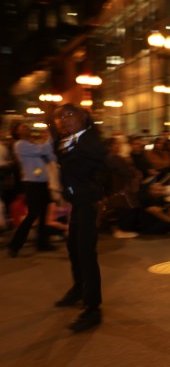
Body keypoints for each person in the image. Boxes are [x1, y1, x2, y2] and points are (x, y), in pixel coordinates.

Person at [48, 104, 107, 333]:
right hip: (78, 204)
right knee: (73, 246)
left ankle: (93, 308)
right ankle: (79, 289)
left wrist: (127, 180)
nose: (65, 119)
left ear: (83, 117)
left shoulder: (89, 140)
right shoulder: (69, 141)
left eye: (69, 114)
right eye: (61, 117)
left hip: (89, 204)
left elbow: (107, 160)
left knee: (86, 252)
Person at [6, 123, 57, 257]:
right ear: (16, 132)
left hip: (42, 182)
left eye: (26, 126)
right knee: (33, 214)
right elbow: (44, 150)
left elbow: (50, 156)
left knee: (45, 212)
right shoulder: (20, 145)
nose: (26, 127)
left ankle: (42, 243)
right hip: (32, 183)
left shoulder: (33, 144)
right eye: (21, 127)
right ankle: (14, 245)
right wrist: (51, 136)